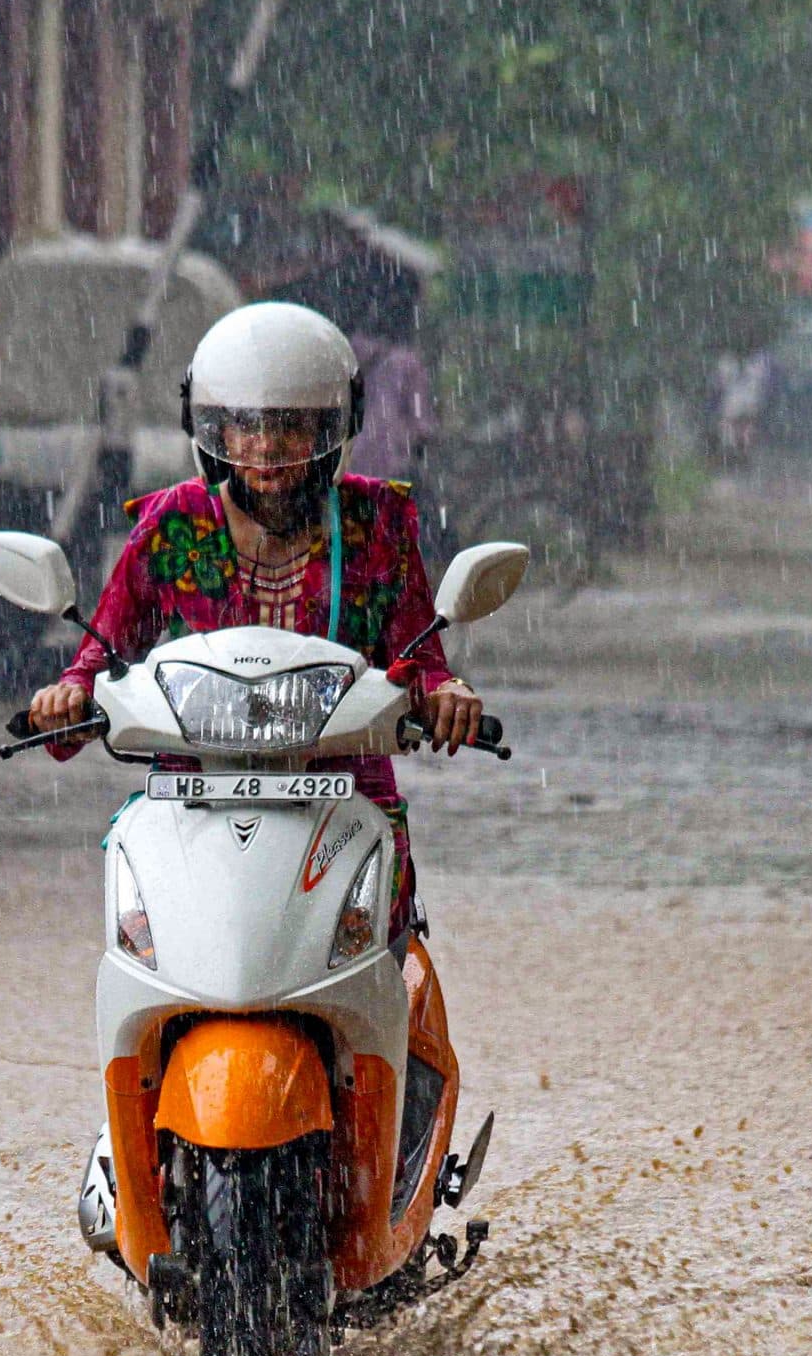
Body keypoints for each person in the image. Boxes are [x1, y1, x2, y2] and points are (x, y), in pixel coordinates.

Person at [25, 302, 486, 926]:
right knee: (140, 935)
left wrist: (446, 693)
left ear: (333, 429)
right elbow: (100, 653)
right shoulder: (172, 523)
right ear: (211, 431)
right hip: (190, 795)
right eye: (244, 426)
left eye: (291, 426)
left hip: (344, 799)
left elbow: (420, 659)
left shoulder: (377, 522)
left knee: (387, 947)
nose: (266, 447)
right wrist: (70, 696)